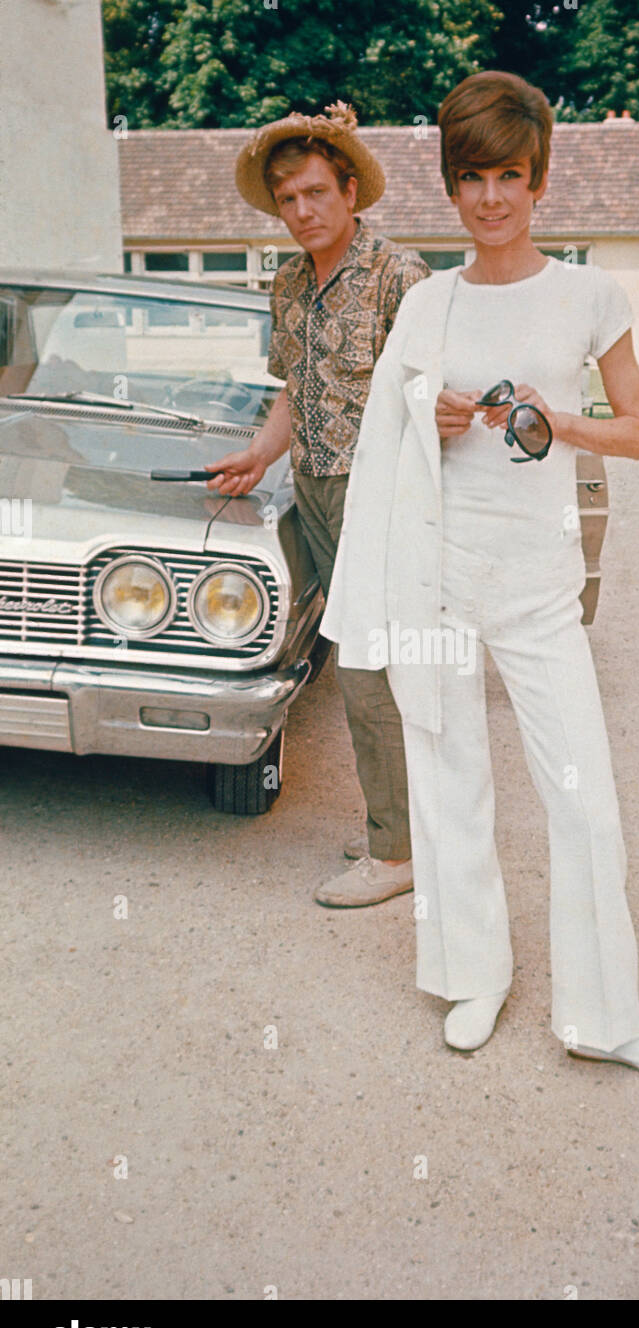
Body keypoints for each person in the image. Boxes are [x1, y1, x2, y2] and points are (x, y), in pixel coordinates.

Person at [319, 72, 639, 1083]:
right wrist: (431, 415)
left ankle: (605, 1016)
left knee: (581, 797)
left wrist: (555, 418)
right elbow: (388, 433)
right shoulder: (428, 299)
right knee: (451, 785)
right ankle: (472, 976)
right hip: (440, 580)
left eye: (508, 174)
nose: (490, 196)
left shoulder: (588, 292)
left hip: (539, 587)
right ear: (451, 188)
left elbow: (638, 433)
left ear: (538, 180)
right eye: (471, 177)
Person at [207, 101, 430, 908]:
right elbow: (290, 394)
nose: (299, 211)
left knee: (374, 673)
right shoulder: (291, 281)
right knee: (359, 665)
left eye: (313, 193)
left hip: (386, 497)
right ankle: (403, 825)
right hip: (315, 491)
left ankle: (400, 851)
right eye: (286, 198)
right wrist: (258, 454)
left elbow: (440, 404)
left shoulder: (402, 277)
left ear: (349, 192)